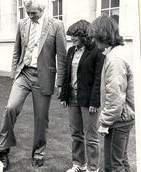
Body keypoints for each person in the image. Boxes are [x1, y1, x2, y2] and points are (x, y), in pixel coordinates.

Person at [0, 0, 67, 169]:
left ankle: (38, 153)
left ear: (42, 9)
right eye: (27, 13)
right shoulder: (22, 23)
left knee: (41, 118)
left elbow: (62, 56)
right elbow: (16, 51)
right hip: (24, 73)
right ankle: (3, 150)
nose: (30, 16)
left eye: (33, 13)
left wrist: (60, 83)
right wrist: (14, 74)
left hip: (44, 77)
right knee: (10, 108)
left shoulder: (56, 25)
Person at [88, 15, 135, 172]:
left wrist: (105, 122)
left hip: (119, 120)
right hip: (124, 118)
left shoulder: (115, 58)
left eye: (94, 36)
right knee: (122, 161)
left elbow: (115, 97)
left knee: (113, 166)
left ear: (103, 34)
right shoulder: (119, 52)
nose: (93, 41)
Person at [59, 20, 105, 172]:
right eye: (71, 35)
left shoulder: (97, 52)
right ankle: (79, 164)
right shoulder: (71, 51)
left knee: (91, 136)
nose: (72, 38)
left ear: (84, 35)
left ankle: (93, 168)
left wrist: (95, 102)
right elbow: (67, 74)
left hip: (88, 100)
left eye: (75, 36)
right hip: (72, 98)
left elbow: (99, 79)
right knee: (76, 134)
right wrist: (64, 96)